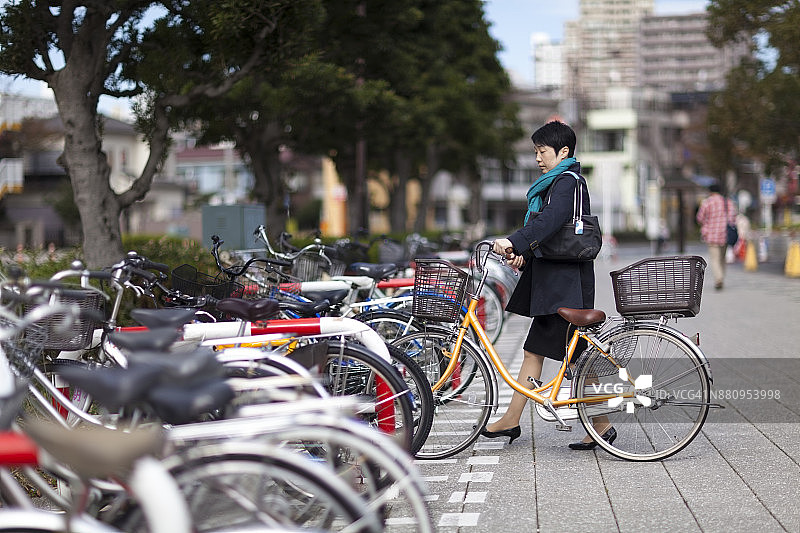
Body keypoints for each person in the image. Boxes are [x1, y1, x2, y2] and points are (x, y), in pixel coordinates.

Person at [487, 121, 614, 450]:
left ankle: (512, 420)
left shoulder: (567, 182)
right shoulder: (559, 182)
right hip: (560, 281)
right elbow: (553, 235)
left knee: (547, 354)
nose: (538, 158)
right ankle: (601, 425)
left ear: (563, 152)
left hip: (564, 286)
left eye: (542, 152)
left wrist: (514, 241)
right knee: (573, 357)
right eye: (536, 152)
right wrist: (525, 253)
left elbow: (550, 222)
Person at [696, 183, 737, 290]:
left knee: (715, 259)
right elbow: (733, 218)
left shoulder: (707, 203)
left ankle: (718, 279)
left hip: (711, 235)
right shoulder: (727, 202)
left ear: (710, 191)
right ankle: (721, 277)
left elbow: (700, 218)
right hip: (725, 235)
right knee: (722, 258)